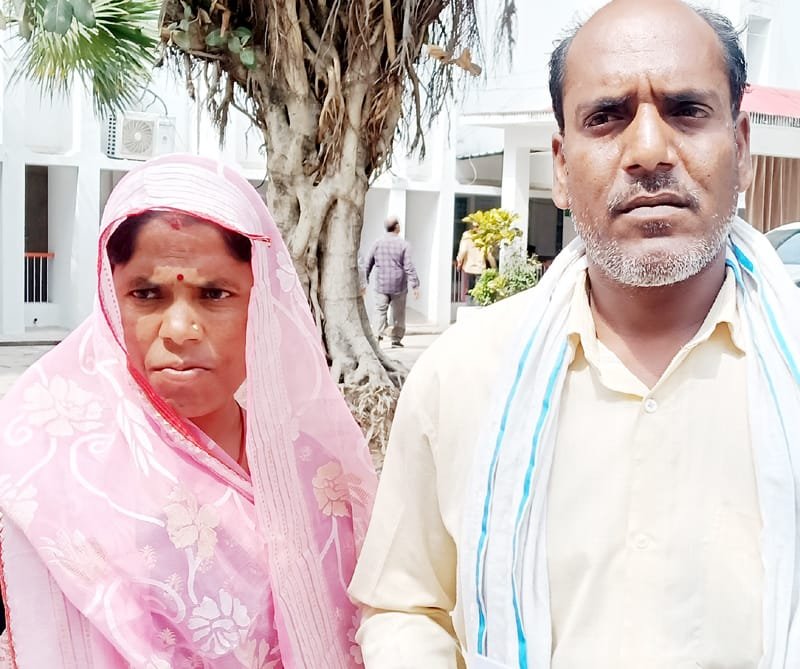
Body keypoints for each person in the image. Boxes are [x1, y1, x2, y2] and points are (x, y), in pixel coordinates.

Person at [349, 1, 800, 667]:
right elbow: (406, 607)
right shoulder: (462, 375)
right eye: (608, 117)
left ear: (741, 149)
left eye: (686, 111)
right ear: (560, 166)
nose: (648, 152)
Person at [0, 154, 376, 668]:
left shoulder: (319, 478)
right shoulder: (40, 473)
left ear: (259, 303)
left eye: (214, 294)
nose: (179, 330)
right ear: (111, 300)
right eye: (146, 294)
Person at [366, 217, 420, 347]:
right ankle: (396, 339)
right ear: (396, 227)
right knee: (399, 314)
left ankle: (376, 337)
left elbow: (368, 263)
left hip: (381, 285)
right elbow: (408, 266)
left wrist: (364, 280)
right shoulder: (404, 244)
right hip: (398, 286)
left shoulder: (377, 243)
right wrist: (415, 285)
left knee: (380, 311)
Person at [456, 224, 487, 303]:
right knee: (479, 289)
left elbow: (463, 251)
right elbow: (489, 254)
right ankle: (478, 304)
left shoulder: (467, 236)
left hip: (469, 267)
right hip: (480, 268)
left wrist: (459, 262)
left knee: (469, 290)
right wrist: (494, 267)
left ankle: (470, 305)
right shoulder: (483, 236)